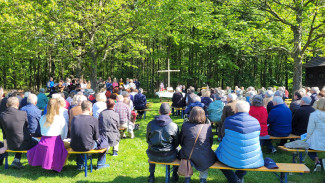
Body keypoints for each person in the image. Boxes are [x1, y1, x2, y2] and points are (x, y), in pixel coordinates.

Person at [216, 101, 264, 183]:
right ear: (248, 110)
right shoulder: (256, 121)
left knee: (217, 157)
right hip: (253, 159)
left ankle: (234, 179)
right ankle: (239, 176)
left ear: (236, 109)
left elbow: (222, 134)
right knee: (245, 158)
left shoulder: (228, 120)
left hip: (229, 157)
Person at [27, 98, 68, 172]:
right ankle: (58, 165)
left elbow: (42, 131)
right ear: (57, 107)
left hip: (43, 142)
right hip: (56, 142)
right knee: (67, 146)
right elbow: (63, 134)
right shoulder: (60, 118)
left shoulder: (42, 118)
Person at [179, 107, 216, 183]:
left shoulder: (185, 126)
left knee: (186, 155)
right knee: (206, 157)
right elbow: (210, 142)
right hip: (203, 155)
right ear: (203, 116)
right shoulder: (208, 127)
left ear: (191, 115)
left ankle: (187, 178)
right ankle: (203, 179)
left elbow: (181, 141)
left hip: (187, 154)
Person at [0, 97, 38, 169]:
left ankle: (16, 160)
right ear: (17, 105)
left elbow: (4, 132)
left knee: (19, 137)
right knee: (37, 143)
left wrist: (5, 146)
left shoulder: (2, 115)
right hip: (24, 143)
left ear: (7, 105)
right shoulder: (23, 113)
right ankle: (35, 161)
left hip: (10, 144)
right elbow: (27, 127)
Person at [146, 103, 179, 183]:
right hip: (169, 155)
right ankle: (174, 175)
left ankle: (151, 176)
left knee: (151, 147)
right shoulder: (174, 126)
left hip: (153, 154)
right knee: (178, 149)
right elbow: (177, 143)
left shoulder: (150, 124)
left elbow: (147, 139)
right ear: (170, 112)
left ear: (159, 111)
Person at [70, 101, 107, 169]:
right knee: (104, 142)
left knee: (80, 140)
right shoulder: (94, 119)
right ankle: (101, 164)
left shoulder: (75, 118)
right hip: (87, 146)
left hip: (74, 145)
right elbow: (96, 136)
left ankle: (80, 165)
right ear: (90, 109)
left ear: (81, 108)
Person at [306, 98, 325, 171]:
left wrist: (307, 138)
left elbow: (310, 129)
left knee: (309, 148)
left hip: (316, 140)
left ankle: (317, 161)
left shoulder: (314, 115)